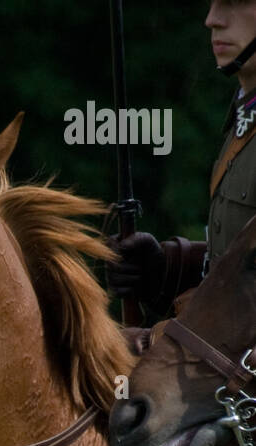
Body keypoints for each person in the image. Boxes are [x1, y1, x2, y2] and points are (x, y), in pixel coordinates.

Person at [110, 1, 256, 313]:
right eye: (213, 4)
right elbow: (236, 264)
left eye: (234, 3)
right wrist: (166, 269)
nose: (212, 20)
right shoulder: (243, 117)